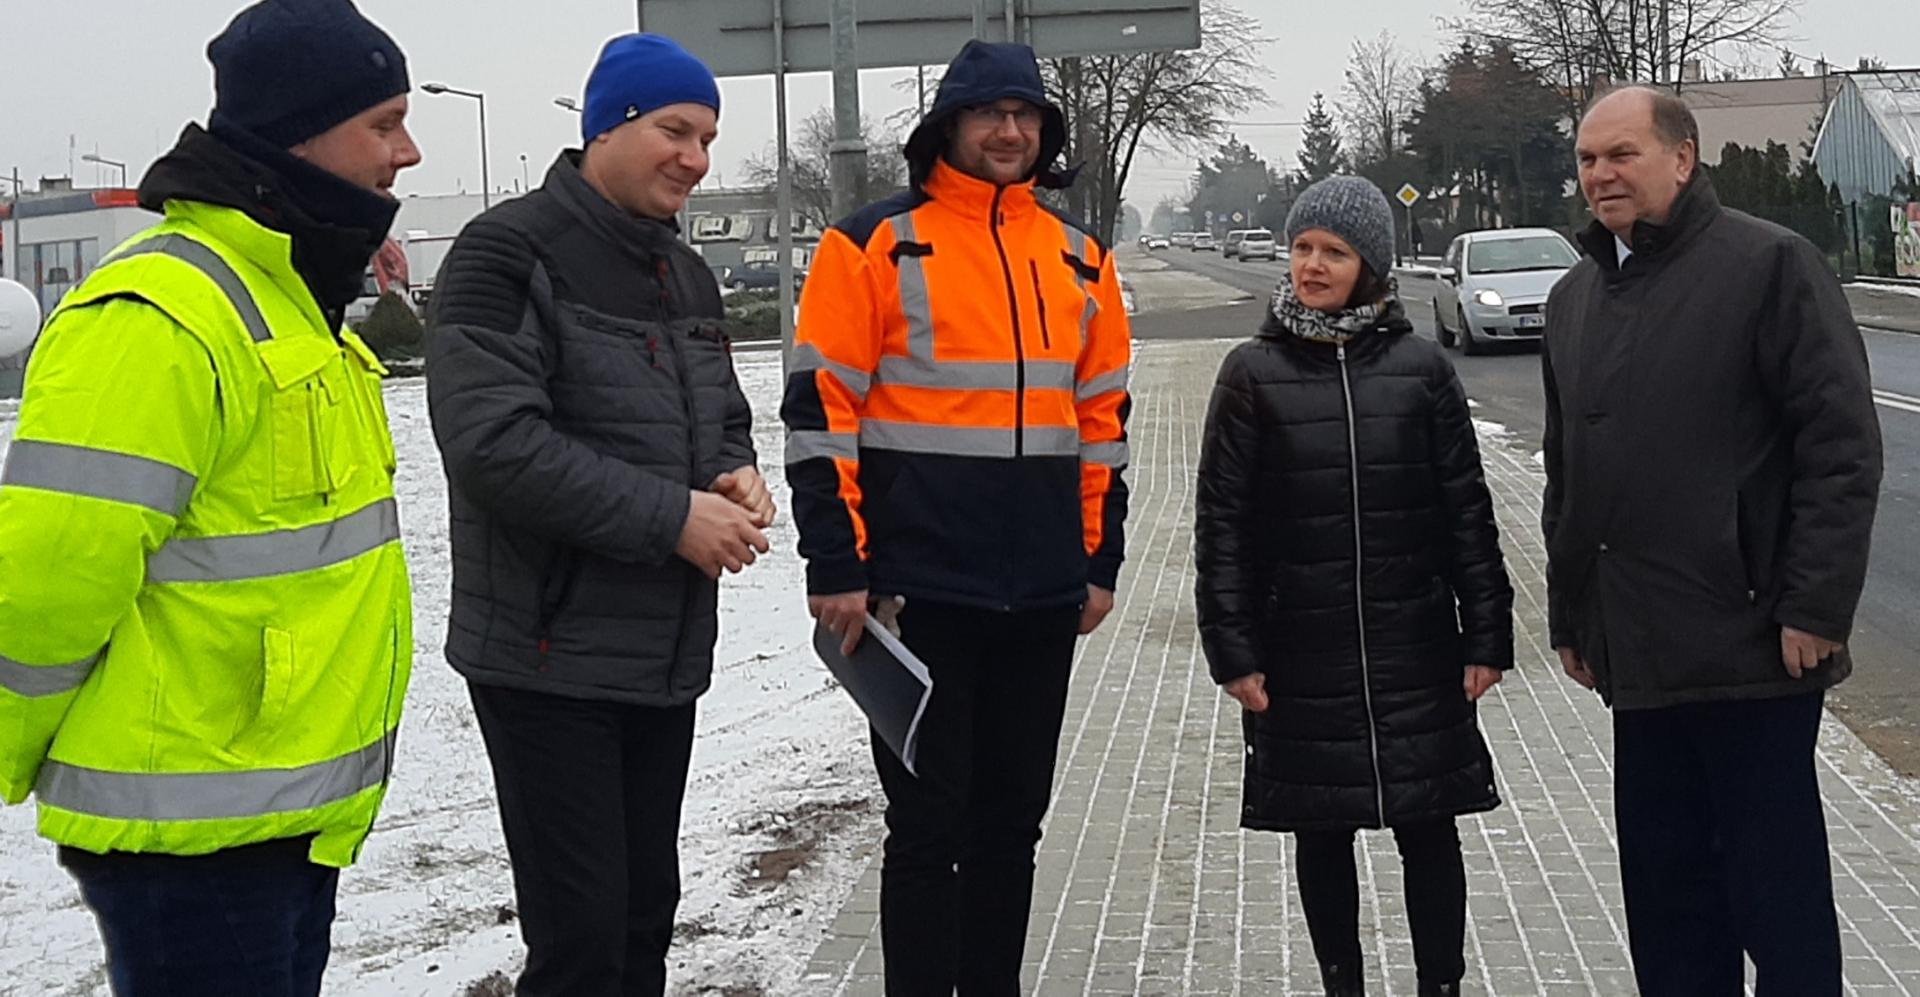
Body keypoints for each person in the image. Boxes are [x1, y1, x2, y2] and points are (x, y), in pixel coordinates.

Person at [0, 0, 421, 992]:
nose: (406, 151)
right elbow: (51, 572)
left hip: (271, 813)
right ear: (299, 132)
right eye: (384, 122)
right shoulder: (157, 314)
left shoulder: (284, 294)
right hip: (184, 838)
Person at [781, 39, 1133, 995]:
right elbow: (820, 416)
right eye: (990, 113)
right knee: (928, 827)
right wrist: (835, 564)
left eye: (1027, 115)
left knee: (1013, 824)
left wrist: (1100, 560)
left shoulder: (1080, 257)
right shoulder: (872, 244)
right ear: (948, 126)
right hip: (916, 591)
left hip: (1044, 593)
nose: (1011, 131)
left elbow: (1104, 423)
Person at [424, 33, 771, 997]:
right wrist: (672, 518)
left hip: (661, 653)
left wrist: (735, 475)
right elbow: (494, 444)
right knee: (580, 945)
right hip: (545, 657)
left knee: (641, 925)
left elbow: (719, 419)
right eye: (674, 130)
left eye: (706, 137)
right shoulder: (506, 251)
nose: (695, 158)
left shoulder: (685, 272)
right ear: (608, 126)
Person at [1543, 86, 1883, 995]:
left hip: (1753, 644)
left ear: (1683, 158)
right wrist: (1572, 612)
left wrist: (1815, 605)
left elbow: (1840, 450)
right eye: (1587, 159)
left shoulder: (1771, 266)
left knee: (1776, 899)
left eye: (1622, 154)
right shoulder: (1575, 295)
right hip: (1638, 653)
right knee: (1668, 899)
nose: (1601, 175)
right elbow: (1565, 469)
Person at [1195, 176, 1513, 997]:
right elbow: (1222, 527)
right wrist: (1234, 650)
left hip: (1415, 645)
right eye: (1302, 248)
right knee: (1320, 829)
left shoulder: (1421, 370)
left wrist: (1487, 633)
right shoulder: (1251, 374)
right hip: (1301, 651)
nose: (1311, 264)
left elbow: (1466, 510)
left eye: (1333, 251)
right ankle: (1343, 982)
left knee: (1429, 828)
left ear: (1369, 264)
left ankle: (1440, 981)